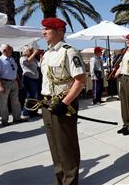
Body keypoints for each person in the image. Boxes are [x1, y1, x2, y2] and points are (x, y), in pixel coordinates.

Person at [40, 17, 86, 185]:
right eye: (43, 29)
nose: (43, 32)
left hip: (63, 104)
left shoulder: (69, 51)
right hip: (47, 103)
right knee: (55, 147)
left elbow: (80, 80)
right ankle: (60, 181)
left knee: (66, 147)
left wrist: (64, 103)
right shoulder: (47, 53)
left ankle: (70, 182)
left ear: (60, 31)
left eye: (48, 29)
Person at [0, 44, 27, 126]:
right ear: (4, 50)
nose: (12, 50)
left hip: (14, 82)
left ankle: (17, 118)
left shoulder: (11, 59)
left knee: (16, 101)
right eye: (10, 49)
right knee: (3, 102)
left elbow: (15, 71)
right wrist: (0, 86)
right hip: (4, 82)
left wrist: (19, 82)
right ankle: (4, 120)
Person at [20, 45, 41, 118]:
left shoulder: (33, 59)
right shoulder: (22, 58)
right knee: (29, 96)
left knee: (35, 96)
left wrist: (41, 57)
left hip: (35, 79)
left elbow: (39, 65)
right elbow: (27, 62)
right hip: (28, 79)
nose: (31, 51)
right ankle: (26, 113)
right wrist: (35, 53)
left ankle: (34, 112)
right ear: (25, 52)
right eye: (30, 50)